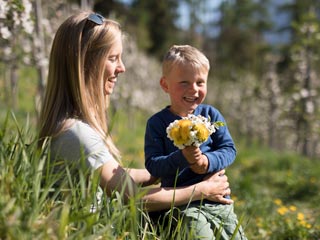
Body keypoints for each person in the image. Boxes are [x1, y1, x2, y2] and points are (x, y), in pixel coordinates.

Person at [38, 11, 233, 220]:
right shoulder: (77, 135)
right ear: (86, 64)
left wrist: (168, 167)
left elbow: (117, 176)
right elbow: (132, 198)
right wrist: (202, 189)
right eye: (113, 58)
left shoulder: (73, 127)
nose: (122, 68)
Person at [144, 45, 247, 239]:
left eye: (200, 82)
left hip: (218, 199)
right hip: (183, 204)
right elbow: (153, 166)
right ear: (165, 85)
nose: (194, 89)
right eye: (184, 82)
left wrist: (206, 162)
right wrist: (182, 157)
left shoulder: (212, 115)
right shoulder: (157, 124)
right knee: (198, 233)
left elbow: (229, 148)